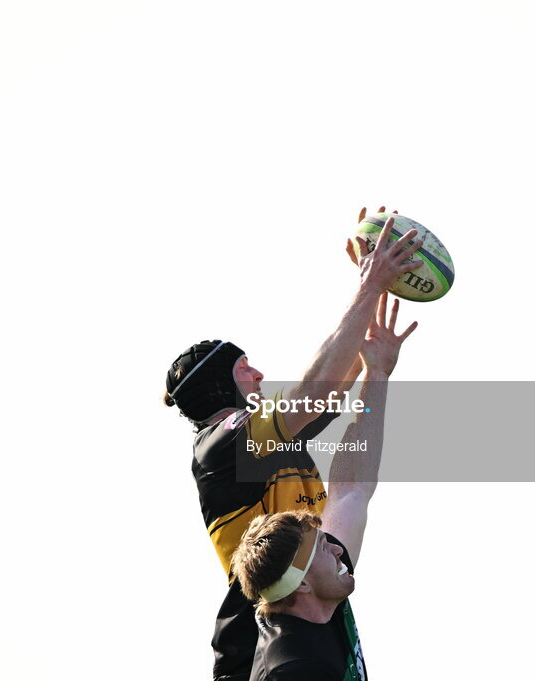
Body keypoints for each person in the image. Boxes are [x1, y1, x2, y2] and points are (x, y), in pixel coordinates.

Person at [163, 212, 423, 681]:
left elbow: (350, 482)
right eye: (245, 367)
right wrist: (367, 287)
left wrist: (375, 371)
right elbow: (316, 392)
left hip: (302, 611)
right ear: (219, 386)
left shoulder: (312, 542)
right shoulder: (220, 450)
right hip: (256, 649)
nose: (259, 374)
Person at [231, 293, 415, 681]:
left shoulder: (316, 591)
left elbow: (350, 488)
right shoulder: (296, 668)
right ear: (301, 586)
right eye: (321, 546)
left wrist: (376, 374)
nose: (336, 546)